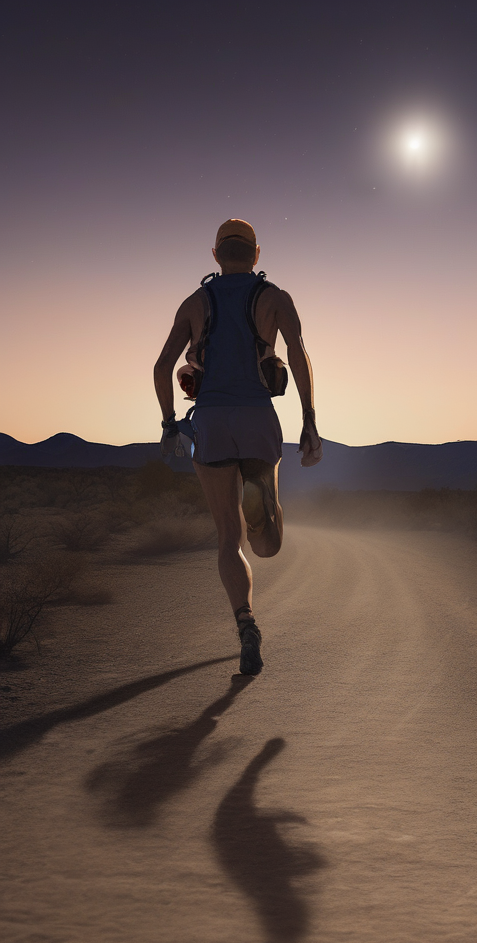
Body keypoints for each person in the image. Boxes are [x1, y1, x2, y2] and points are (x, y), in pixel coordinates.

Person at [153, 218, 322, 676]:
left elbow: (162, 365)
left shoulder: (194, 302)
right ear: (257, 254)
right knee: (267, 543)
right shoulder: (275, 298)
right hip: (257, 421)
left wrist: (170, 424)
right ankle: (262, 507)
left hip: (209, 422)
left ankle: (246, 623)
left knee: (229, 539)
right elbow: (300, 355)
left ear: (215, 255)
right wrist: (309, 421)